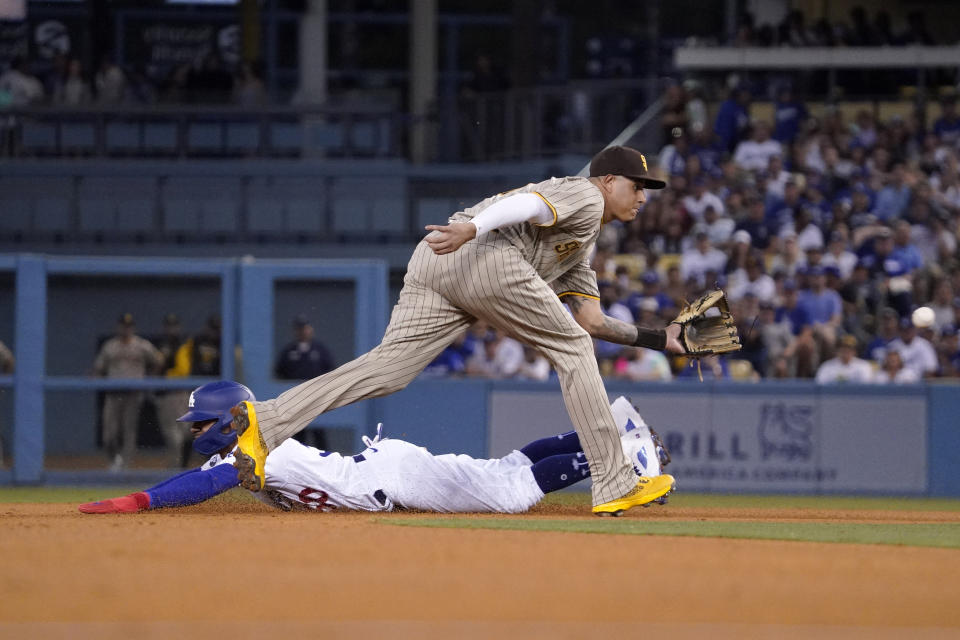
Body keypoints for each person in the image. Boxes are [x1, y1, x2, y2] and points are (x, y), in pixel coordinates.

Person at [229, 145, 680, 516]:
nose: (642, 196)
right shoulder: (586, 195)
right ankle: (614, 479)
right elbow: (523, 205)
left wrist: (662, 340)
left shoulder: (579, 245)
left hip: (437, 262)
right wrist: (472, 228)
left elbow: (592, 321)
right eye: (636, 185)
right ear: (607, 181)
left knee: (389, 370)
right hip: (480, 249)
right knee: (574, 351)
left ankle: (266, 420)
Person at [78, 381, 671, 515]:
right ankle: (612, 429)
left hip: (389, 479)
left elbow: (209, 482)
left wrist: (138, 502)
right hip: (386, 467)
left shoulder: (260, 444)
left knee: (510, 493)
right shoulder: (261, 438)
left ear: (230, 420)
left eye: (199, 422)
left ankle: (623, 459)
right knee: (505, 467)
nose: (192, 430)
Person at [92, 313, 164, 471]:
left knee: (128, 432)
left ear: (133, 328)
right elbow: (99, 368)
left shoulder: (142, 345)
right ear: (118, 327)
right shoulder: (110, 346)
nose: (126, 329)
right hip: (113, 394)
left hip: (133, 394)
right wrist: (95, 377)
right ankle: (114, 461)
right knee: (109, 434)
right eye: (123, 326)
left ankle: (125, 467)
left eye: (129, 326)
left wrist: (149, 377)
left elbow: (158, 361)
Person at [152, 313, 193, 468]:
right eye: (169, 326)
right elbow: (155, 369)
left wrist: (169, 374)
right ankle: (175, 467)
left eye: (174, 326)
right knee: (172, 435)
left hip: (180, 392)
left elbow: (184, 370)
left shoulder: (184, 344)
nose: (172, 329)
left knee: (183, 433)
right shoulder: (161, 345)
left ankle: (179, 467)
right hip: (167, 394)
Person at [274, 315, 335, 380]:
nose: (302, 332)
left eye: (305, 328)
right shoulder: (288, 351)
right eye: (299, 329)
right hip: (295, 388)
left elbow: (330, 368)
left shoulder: (320, 350)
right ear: (295, 331)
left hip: (317, 386)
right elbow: (280, 372)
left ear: (311, 329)